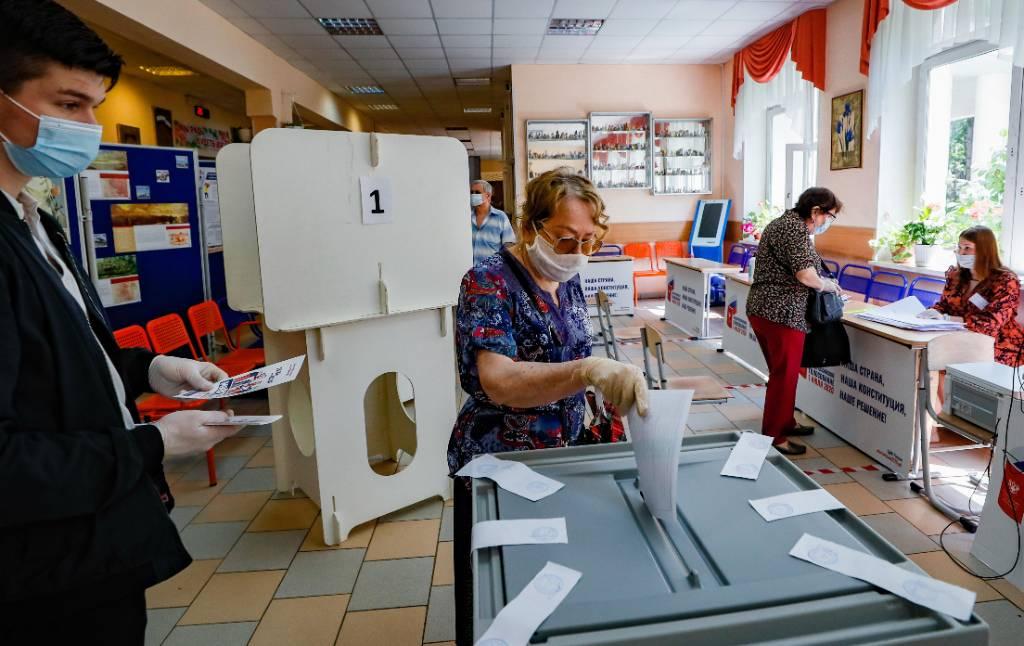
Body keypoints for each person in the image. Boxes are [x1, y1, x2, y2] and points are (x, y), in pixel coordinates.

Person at [0, 2, 242, 642]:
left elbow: (58, 357)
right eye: (69, 104)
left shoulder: (33, 220)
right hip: (38, 576)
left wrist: (150, 367)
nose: (90, 127)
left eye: (94, 107)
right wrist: (155, 445)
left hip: (94, 546)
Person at [449, 168, 648, 645]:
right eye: (563, 240)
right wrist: (584, 371)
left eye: (587, 241)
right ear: (527, 228)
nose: (576, 254)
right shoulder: (487, 282)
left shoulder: (569, 279)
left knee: (552, 583)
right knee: (498, 598)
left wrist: (609, 392)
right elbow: (497, 380)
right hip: (502, 462)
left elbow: (571, 350)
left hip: (564, 451)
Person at [746, 187, 844, 456]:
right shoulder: (795, 229)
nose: (827, 223)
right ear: (815, 211)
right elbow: (805, 276)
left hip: (765, 309)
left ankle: (786, 422)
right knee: (784, 376)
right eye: (829, 217)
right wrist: (828, 286)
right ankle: (775, 436)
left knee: (783, 373)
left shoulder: (782, 223)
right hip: (782, 313)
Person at [918, 226, 1023, 366]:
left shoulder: (1005, 281)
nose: (961, 253)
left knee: (942, 357)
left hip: (998, 345)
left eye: (967, 248)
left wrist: (948, 319)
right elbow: (944, 305)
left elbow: (991, 323)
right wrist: (934, 312)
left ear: (984, 251)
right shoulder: (956, 275)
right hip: (958, 337)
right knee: (929, 354)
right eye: (959, 247)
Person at [470, 179, 515, 265]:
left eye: (477, 192)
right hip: (469, 273)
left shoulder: (501, 217)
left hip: (492, 273)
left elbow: (509, 245)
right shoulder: (467, 217)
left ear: (488, 195)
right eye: (472, 192)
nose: (473, 195)